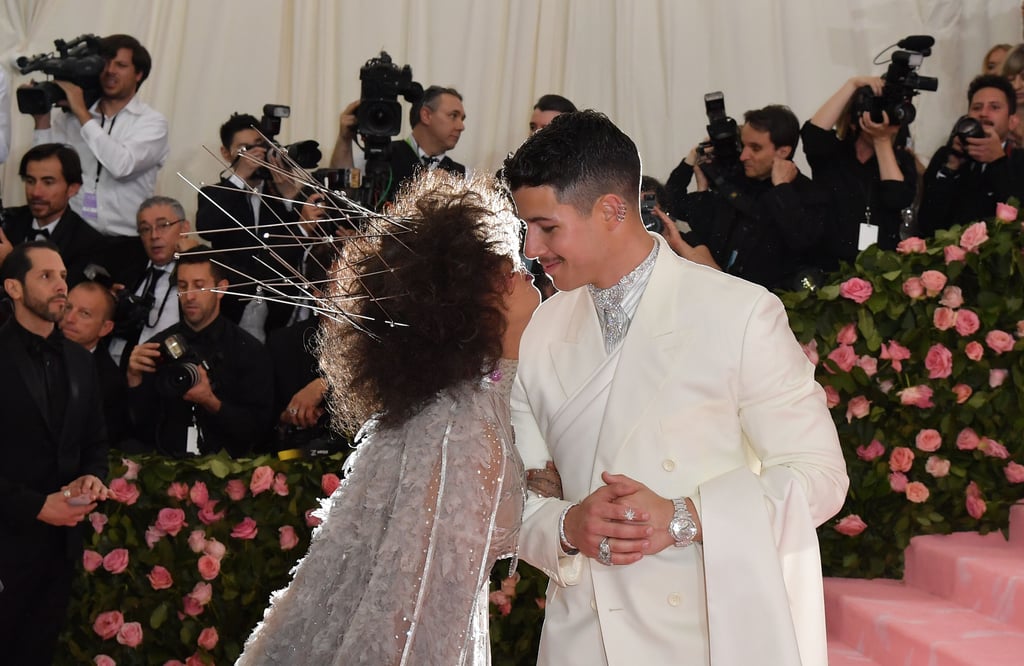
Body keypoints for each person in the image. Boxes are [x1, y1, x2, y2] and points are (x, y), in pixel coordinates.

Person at [502, 110, 848, 666]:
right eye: (527, 227)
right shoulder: (543, 326)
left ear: (612, 210)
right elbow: (511, 492)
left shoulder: (739, 311)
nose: (531, 247)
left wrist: (685, 518)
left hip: (705, 631)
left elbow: (821, 477)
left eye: (547, 227)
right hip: (581, 635)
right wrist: (566, 525)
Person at [237, 170, 540, 665]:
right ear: (473, 304)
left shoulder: (453, 406)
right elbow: (407, 602)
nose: (528, 273)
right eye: (510, 268)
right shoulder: (455, 427)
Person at [0, 241, 109, 665]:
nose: (61, 285)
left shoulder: (80, 361)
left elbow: (95, 441)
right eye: (46, 276)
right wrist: (36, 507)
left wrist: (92, 476)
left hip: (58, 551)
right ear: (13, 287)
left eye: (63, 275)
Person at [28, 34, 169, 282]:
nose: (110, 71)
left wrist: (83, 113)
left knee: (116, 318)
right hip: (74, 237)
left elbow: (121, 165)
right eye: (105, 64)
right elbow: (46, 166)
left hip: (124, 243)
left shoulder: (151, 123)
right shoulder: (70, 118)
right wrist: (42, 119)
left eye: (121, 65)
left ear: (139, 74)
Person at [124, 248, 274, 457]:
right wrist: (134, 379)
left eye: (199, 286)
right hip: (165, 463)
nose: (189, 296)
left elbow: (259, 430)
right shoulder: (157, 347)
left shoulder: (248, 350)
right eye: (183, 286)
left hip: (230, 469)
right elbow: (139, 426)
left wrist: (211, 402)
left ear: (221, 289)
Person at [665, 105, 828, 290]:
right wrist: (692, 159)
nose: (743, 156)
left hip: (772, 307)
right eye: (743, 145)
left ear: (783, 152)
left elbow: (804, 242)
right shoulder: (734, 180)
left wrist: (782, 189)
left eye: (755, 148)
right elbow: (673, 202)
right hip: (719, 296)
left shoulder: (808, 193)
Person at [195, 112, 303, 340]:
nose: (254, 155)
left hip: (280, 311)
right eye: (244, 149)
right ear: (225, 153)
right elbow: (206, 226)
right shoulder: (215, 193)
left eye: (258, 146)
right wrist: (240, 176)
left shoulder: (279, 192)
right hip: (231, 309)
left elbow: (301, 240)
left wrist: (289, 198)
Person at [801, 76, 917, 272]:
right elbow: (812, 135)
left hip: (881, 270)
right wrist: (852, 85)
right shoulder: (833, 154)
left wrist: (882, 141)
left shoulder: (900, 160)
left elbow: (897, 197)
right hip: (829, 267)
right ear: (854, 120)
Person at [918, 74, 1024, 236]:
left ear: (1012, 121)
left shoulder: (1019, 161)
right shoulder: (946, 156)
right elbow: (927, 223)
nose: (983, 113)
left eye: (994, 107)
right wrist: (950, 168)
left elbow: (1017, 218)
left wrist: (998, 162)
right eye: (976, 107)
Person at [328, 85, 467, 205]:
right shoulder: (374, 157)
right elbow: (340, 196)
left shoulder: (465, 176)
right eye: (453, 116)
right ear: (426, 115)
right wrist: (344, 139)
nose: (461, 126)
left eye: (462, 119)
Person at [106, 196, 194, 367]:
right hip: (121, 368)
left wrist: (193, 255)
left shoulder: (198, 274)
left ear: (184, 228)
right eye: (145, 229)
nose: (154, 235)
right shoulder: (128, 273)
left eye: (163, 225)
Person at [0, 143, 106, 286]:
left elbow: (58, 298)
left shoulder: (88, 244)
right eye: (30, 181)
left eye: (48, 182)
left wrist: (10, 261)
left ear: (72, 189)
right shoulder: (6, 221)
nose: (36, 192)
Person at [60, 279, 127, 445]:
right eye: (68, 307)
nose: (70, 318)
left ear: (105, 328)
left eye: (84, 314)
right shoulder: (36, 349)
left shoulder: (109, 381)